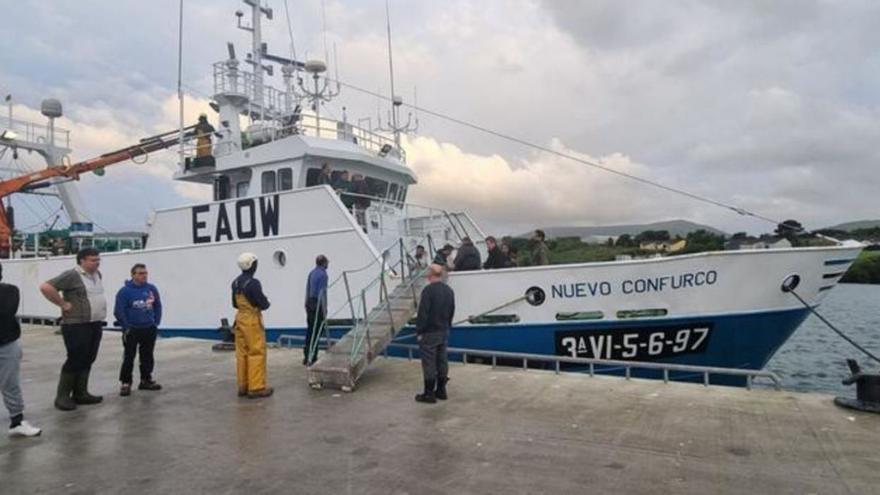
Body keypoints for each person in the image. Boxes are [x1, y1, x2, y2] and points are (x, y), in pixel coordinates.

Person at [40, 248, 107, 411]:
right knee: (75, 358)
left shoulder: (97, 275)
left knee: (89, 357)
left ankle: (81, 393)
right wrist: (63, 304)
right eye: (92, 260)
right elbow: (46, 287)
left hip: (94, 323)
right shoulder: (72, 275)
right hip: (76, 325)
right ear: (82, 261)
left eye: (98, 260)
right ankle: (62, 396)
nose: (96, 263)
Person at [0, 263, 41, 437]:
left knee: (11, 384)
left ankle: (17, 421)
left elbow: (5, 312)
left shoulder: (10, 291)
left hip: (7, 343)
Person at [114, 263, 163, 397]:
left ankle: (146, 380)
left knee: (147, 355)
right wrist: (126, 326)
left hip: (148, 327)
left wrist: (156, 321)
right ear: (133, 275)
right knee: (129, 356)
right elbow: (119, 310)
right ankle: (126, 382)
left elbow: (157, 305)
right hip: (132, 329)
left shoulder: (151, 289)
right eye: (140, 273)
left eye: (145, 273)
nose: (144, 276)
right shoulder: (125, 291)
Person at [231, 253, 273, 399]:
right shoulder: (253, 283)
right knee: (256, 351)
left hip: (240, 318)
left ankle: (243, 386)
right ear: (251, 265)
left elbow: (234, 303)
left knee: (242, 353)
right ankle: (256, 387)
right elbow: (262, 303)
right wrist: (266, 303)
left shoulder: (235, 282)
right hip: (251, 319)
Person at [414, 264, 455, 404]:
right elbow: (451, 311)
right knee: (442, 360)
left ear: (430, 275)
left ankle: (429, 394)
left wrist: (420, 331)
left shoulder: (428, 291)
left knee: (429, 363)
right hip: (443, 330)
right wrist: (447, 326)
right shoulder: (449, 290)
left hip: (430, 332)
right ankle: (442, 390)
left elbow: (423, 314)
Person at [304, 255, 328, 366]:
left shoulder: (311, 273)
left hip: (309, 303)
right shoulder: (323, 275)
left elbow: (307, 289)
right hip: (317, 304)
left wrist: (306, 304)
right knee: (317, 331)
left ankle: (306, 356)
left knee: (310, 331)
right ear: (324, 263)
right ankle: (313, 357)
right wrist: (324, 309)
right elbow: (322, 294)